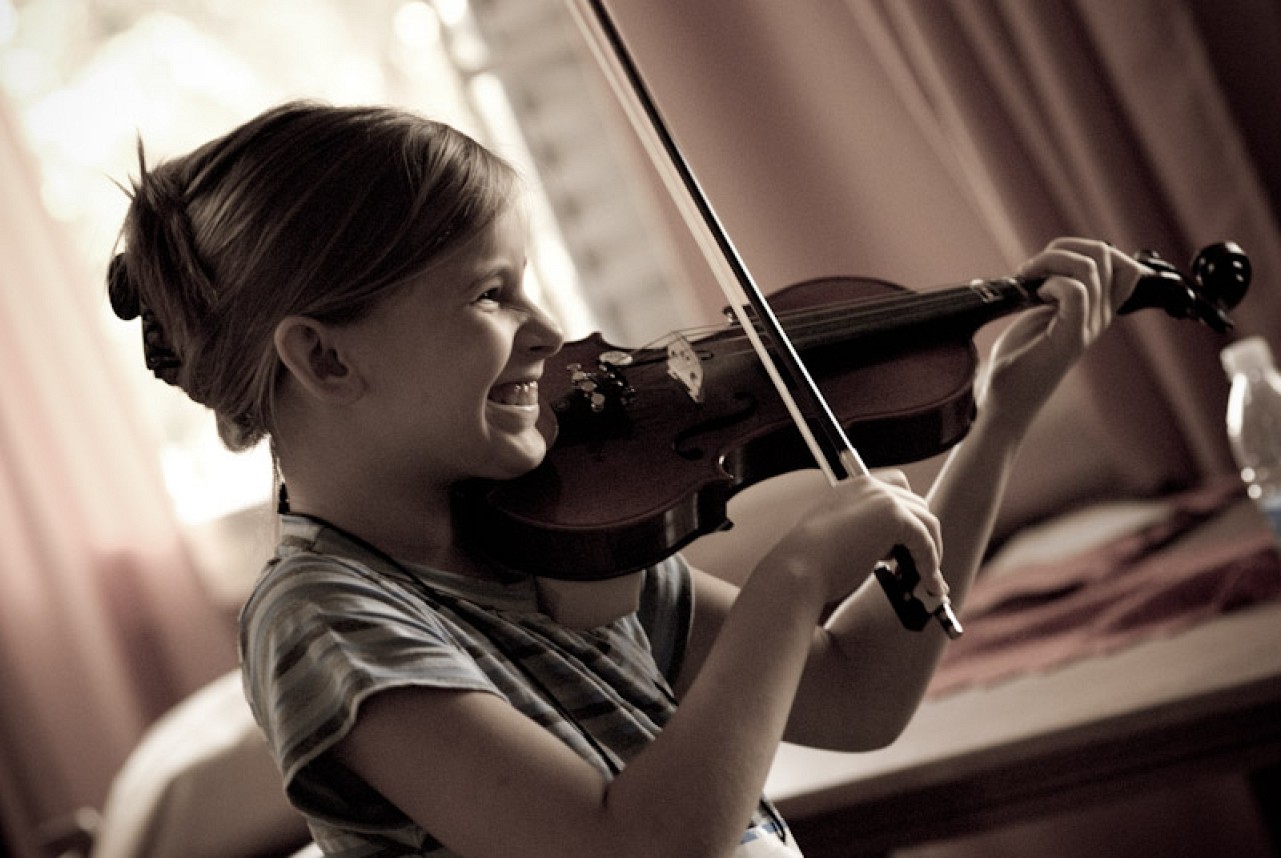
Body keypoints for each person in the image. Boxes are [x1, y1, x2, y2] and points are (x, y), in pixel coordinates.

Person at [108, 100, 1148, 858]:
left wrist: (997, 427)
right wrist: (790, 581)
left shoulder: (546, 535)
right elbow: (632, 846)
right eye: (492, 296)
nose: (551, 335)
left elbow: (858, 696)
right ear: (326, 359)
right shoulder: (326, 618)